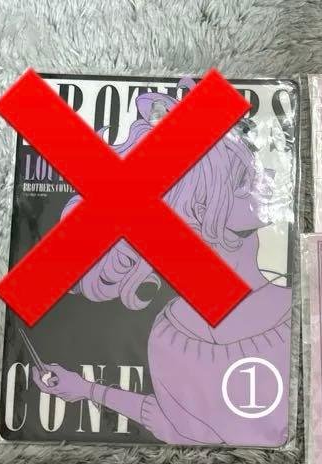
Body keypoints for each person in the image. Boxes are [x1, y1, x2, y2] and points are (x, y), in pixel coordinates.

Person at [29, 79, 292, 445]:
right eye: (240, 181)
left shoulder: (170, 335)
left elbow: (180, 427)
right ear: (197, 211)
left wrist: (89, 390)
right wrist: (85, 390)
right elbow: (180, 427)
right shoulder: (292, 308)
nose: (269, 178)